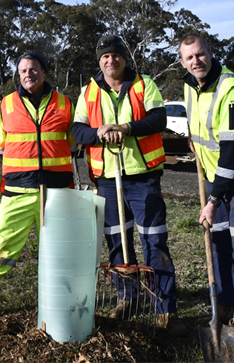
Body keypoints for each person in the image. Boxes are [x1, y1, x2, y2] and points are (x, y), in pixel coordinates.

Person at [72, 34, 187, 336]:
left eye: (116, 55)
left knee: (154, 242)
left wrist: (125, 128)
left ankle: (165, 307)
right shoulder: (88, 92)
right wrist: (100, 132)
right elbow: (77, 131)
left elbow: (159, 119)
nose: (111, 60)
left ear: (124, 57)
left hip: (143, 177)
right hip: (107, 180)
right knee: (117, 244)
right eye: (105, 56)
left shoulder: (143, 84)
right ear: (99, 61)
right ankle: (128, 298)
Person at [0, 52, 76, 324]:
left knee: (62, 249)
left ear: (44, 72)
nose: (28, 74)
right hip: (17, 192)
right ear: (18, 75)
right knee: (0, 248)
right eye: (23, 70)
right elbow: (0, 144)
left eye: (33, 69)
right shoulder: (4, 106)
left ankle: (65, 305)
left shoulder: (65, 104)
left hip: (57, 194)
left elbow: (73, 143)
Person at [178, 33, 234, 351]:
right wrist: (194, 139)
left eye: (200, 54)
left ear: (211, 53)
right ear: (182, 60)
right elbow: (200, 126)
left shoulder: (233, 90)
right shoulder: (189, 86)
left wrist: (213, 199)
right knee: (219, 245)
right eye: (189, 57)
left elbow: (232, 151)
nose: (196, 61)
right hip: (214, 176)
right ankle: (226, 305)